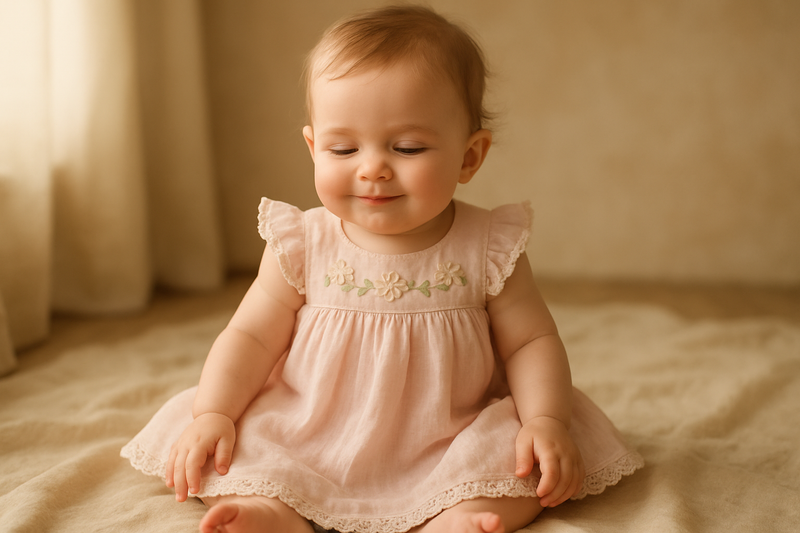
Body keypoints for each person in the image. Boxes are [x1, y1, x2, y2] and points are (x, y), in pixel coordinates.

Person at [122, 5, 643, 533]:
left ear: (470, 157)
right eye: (343, 148)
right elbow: (251, 336)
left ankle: (456, 516)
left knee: (522, 465)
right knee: (239, 451)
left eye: (408, 147)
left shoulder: (488, 245)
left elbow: (530, 342)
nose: (372, 167)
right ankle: (272, 512)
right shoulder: (302, 241)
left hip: (449, 432)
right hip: (313, 427)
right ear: (313, 148)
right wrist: (215, 411)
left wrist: (545, 421)